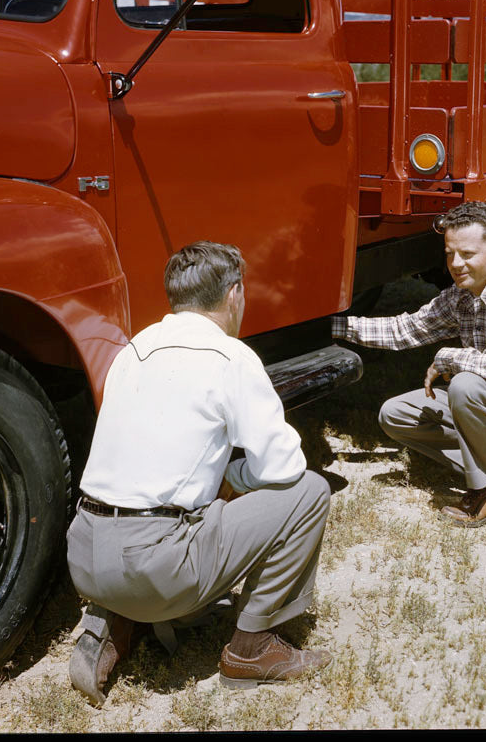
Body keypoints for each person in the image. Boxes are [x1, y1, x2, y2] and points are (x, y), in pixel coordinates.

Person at [66, 241, 332, 705]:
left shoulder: (133, 349)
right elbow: (286, 465)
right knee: (310, 490)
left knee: (159, 507)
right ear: (234, 295)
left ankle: (109, 621)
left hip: (83, 552)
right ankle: (253, 647)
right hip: (155, 564)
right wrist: (237, 477)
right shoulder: (230, 357)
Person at [332, 201, 486, 527]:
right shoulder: (461, 295)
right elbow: (403, 330)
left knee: (464, 385)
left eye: (468, 254)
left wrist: (449, 357)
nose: (456, 264)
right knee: (395, 415)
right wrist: (331, 327)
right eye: (450, 254)